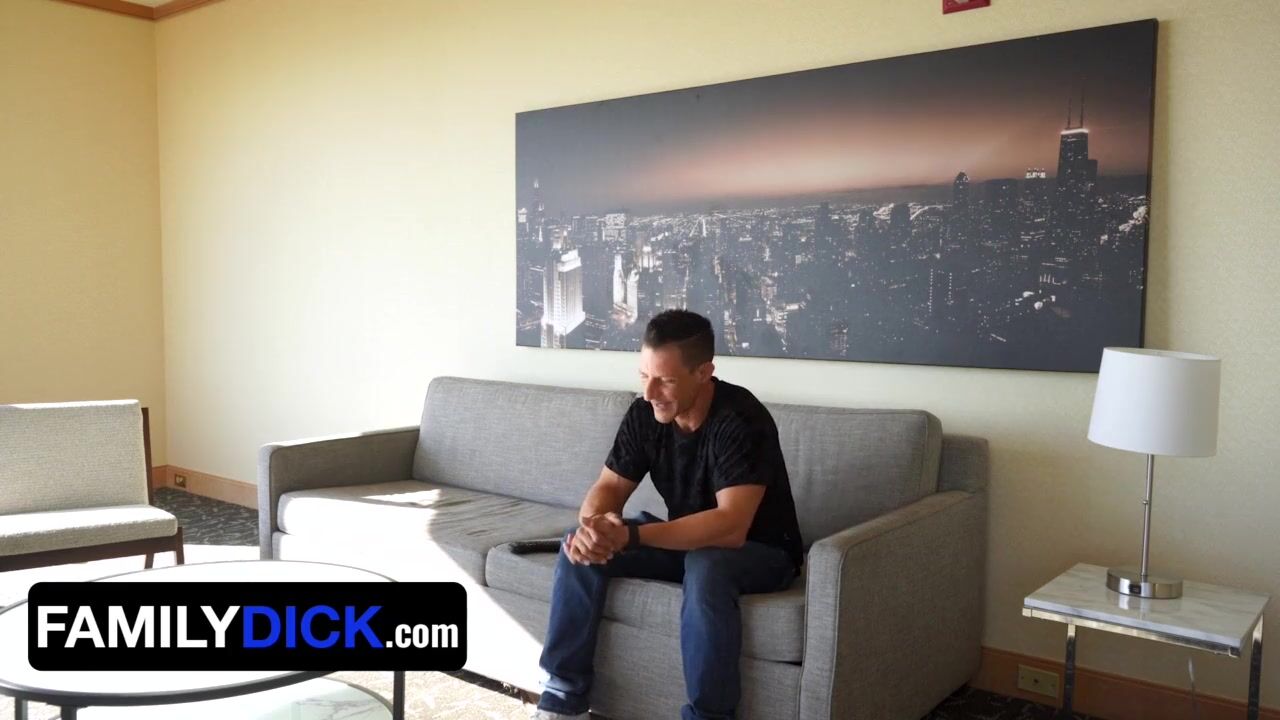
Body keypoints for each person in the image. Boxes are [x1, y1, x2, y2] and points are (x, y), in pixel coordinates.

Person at [532, 309, 803, 720]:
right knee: (578, 546)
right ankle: (561, 703)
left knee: (708, 565)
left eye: (666, 380)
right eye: (644, 375)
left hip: (762, 551)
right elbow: (609, 487)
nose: (649, 392)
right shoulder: (646, 413)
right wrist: (594, 527)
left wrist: (631, 536)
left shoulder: (741, 418)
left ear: (704, 372)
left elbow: (731, 526)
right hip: (687, 544)